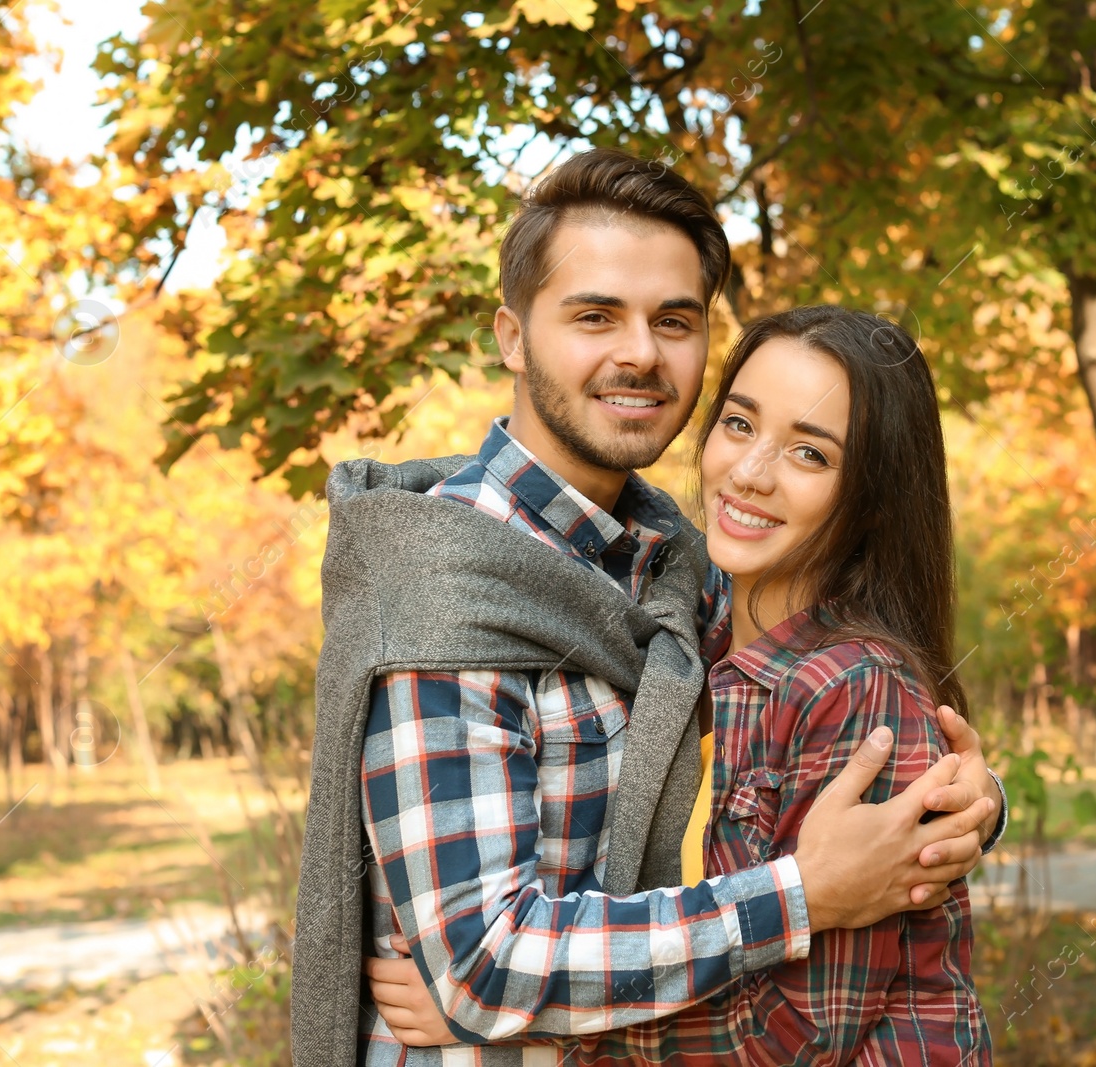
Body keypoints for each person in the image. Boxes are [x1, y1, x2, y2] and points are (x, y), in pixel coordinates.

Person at [292, 147, 1007, 1067]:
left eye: (673, 320)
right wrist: (802, 895)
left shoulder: (670, 567)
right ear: (511, 336)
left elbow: (850, 696)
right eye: (595, 315)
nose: (639, 351)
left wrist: (963, 803)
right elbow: (482, 965)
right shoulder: (447, 579)